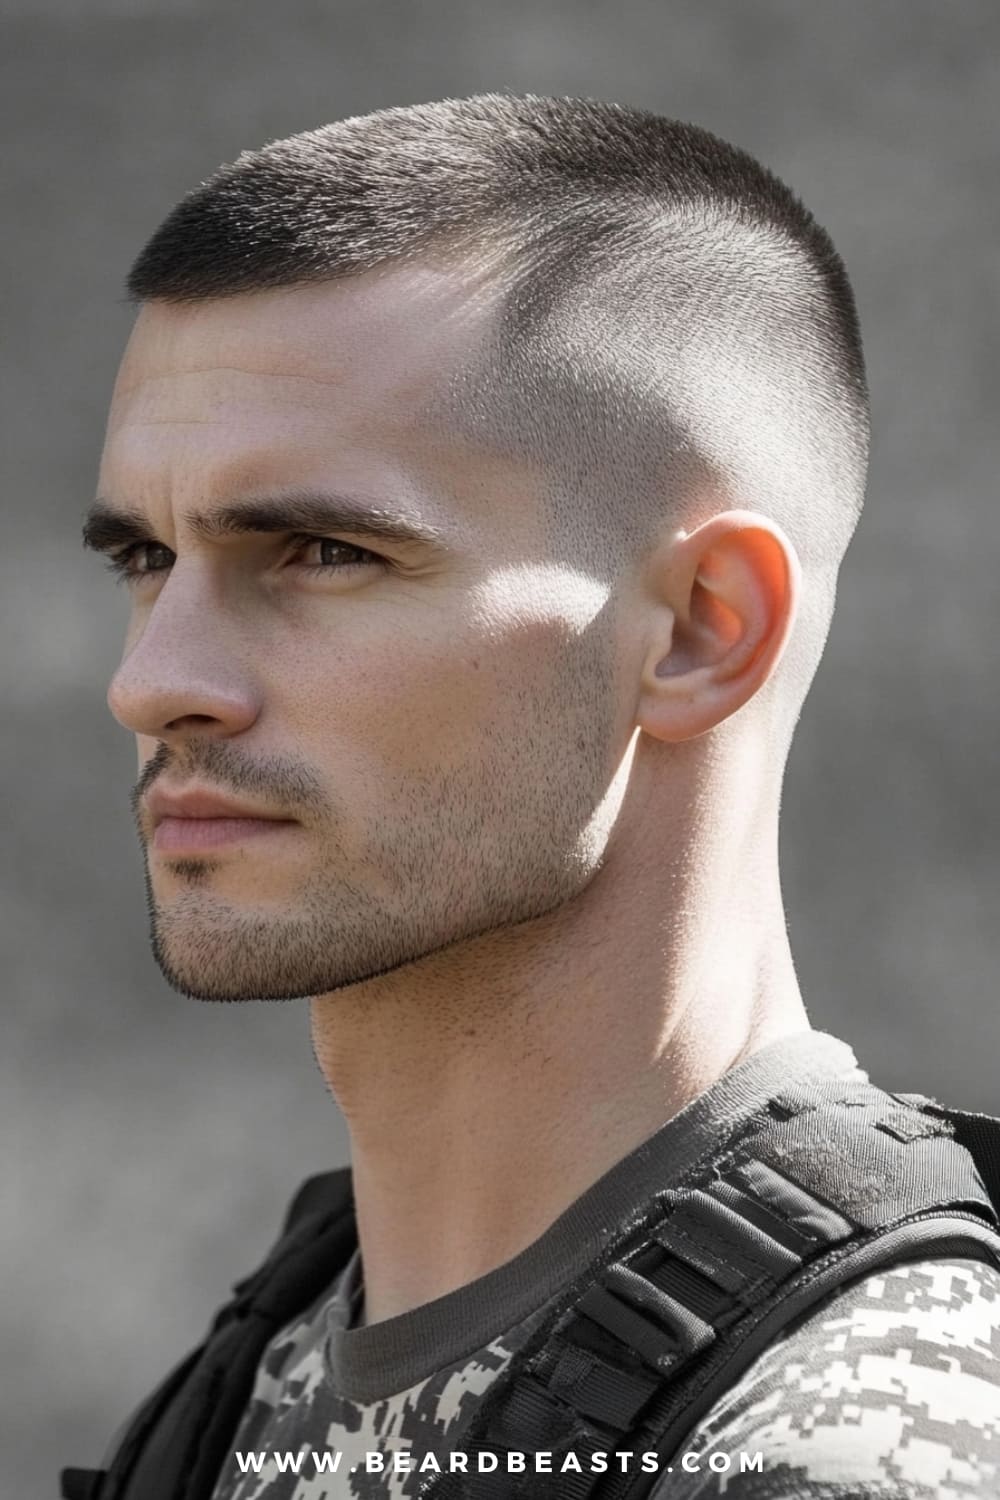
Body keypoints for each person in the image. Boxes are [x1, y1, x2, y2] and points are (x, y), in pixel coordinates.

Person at [70, 94, 999, 1499]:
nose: (156, 681)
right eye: (147, 559)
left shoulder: (848, 1444)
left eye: (322, 550)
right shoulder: (256, 1386)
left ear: (699, 629)